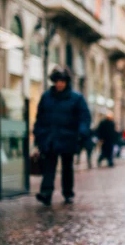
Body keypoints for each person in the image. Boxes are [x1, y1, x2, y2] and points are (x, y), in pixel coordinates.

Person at [33, 67, 90, 206]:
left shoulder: (76, 98)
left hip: (68, 138)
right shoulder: (46, 97)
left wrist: (81, 133)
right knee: (49, 167)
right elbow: (40, 117)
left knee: (67, 167)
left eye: (62, 81)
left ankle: (68, 192)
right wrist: (38, 134)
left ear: (66, 82)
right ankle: (46, 193)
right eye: (57, 81)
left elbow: (84, 117)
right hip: (50, 139)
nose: (59, 84)